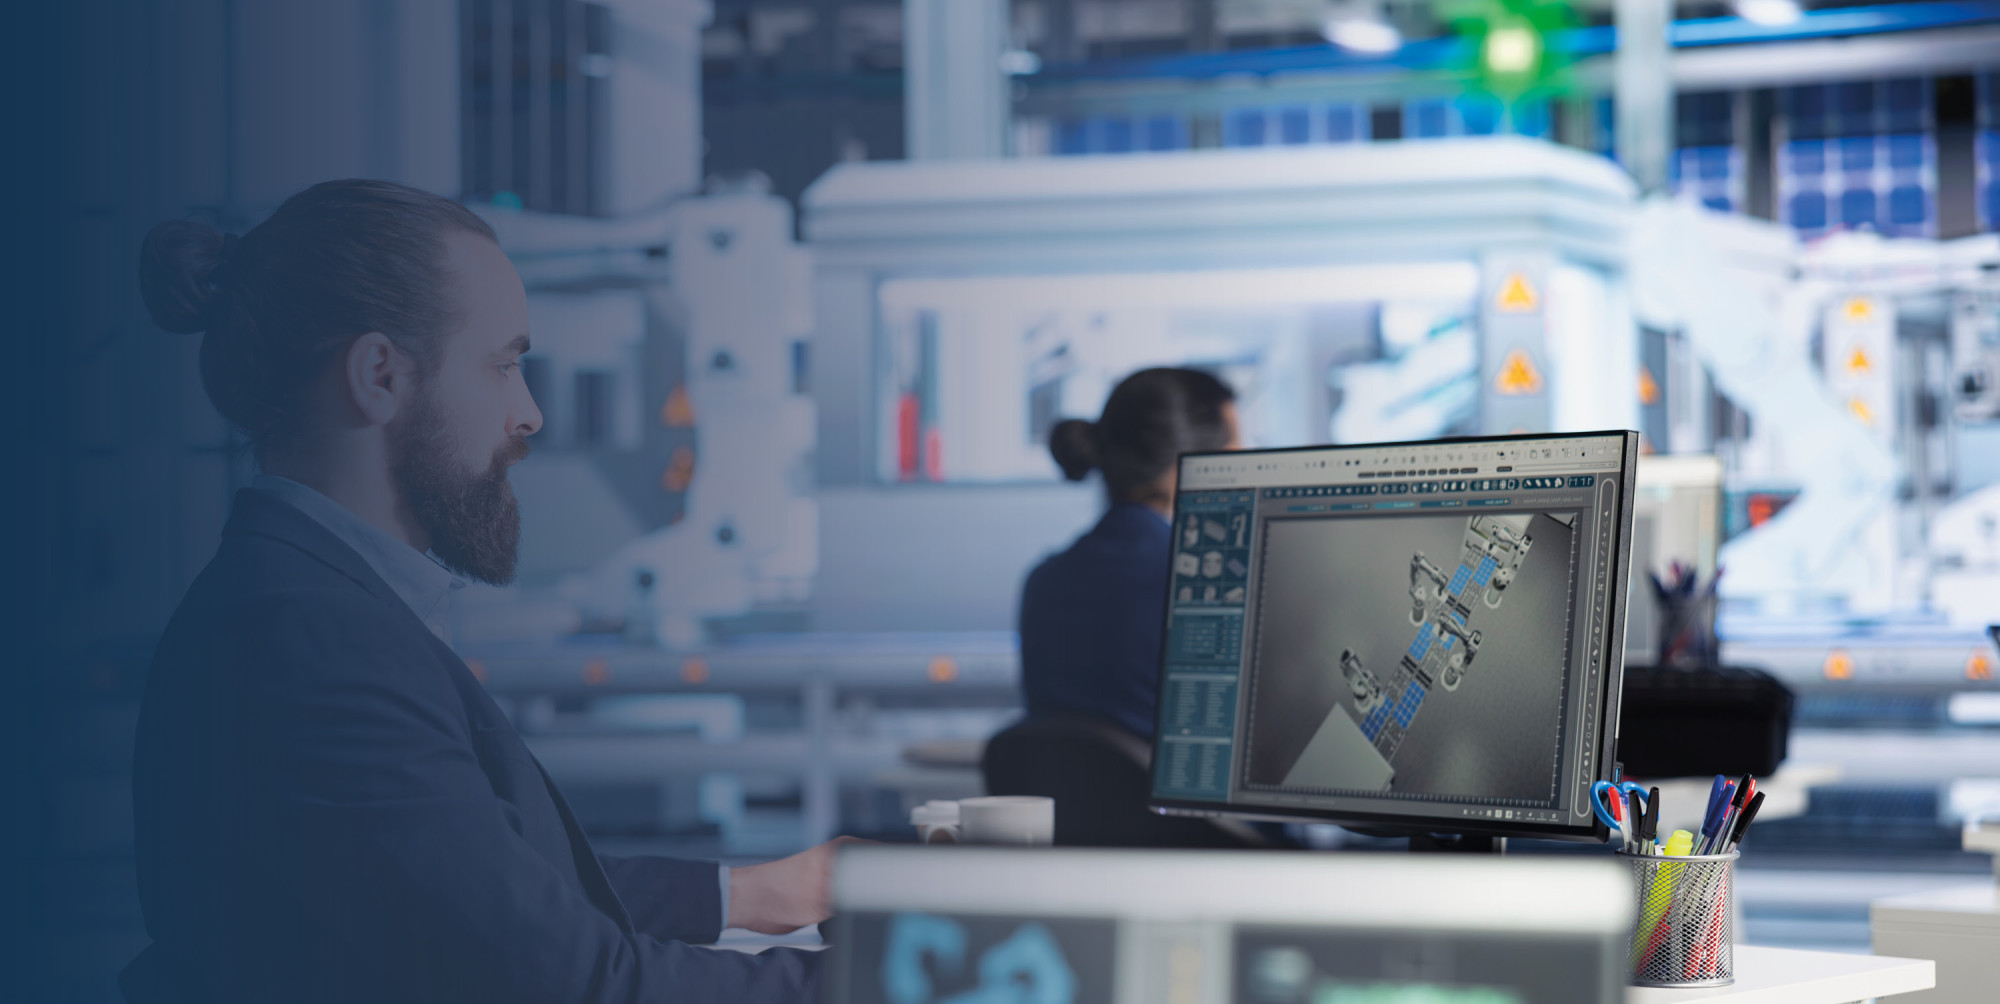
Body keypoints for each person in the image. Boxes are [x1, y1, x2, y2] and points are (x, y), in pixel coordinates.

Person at [125, 179, 845, 1003]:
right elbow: (575, 983)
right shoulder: (312, 639)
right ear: (380, 377)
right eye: (503, 366)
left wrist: (759, 894)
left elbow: (487, 882)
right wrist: (928, 970)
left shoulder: (314, 603)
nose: (529, 413)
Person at [1018, 368, 1239, 740]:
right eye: (1237, 451)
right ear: (1195, 465)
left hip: (1065, 800)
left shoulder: (1043, 581)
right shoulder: (1202, 584)